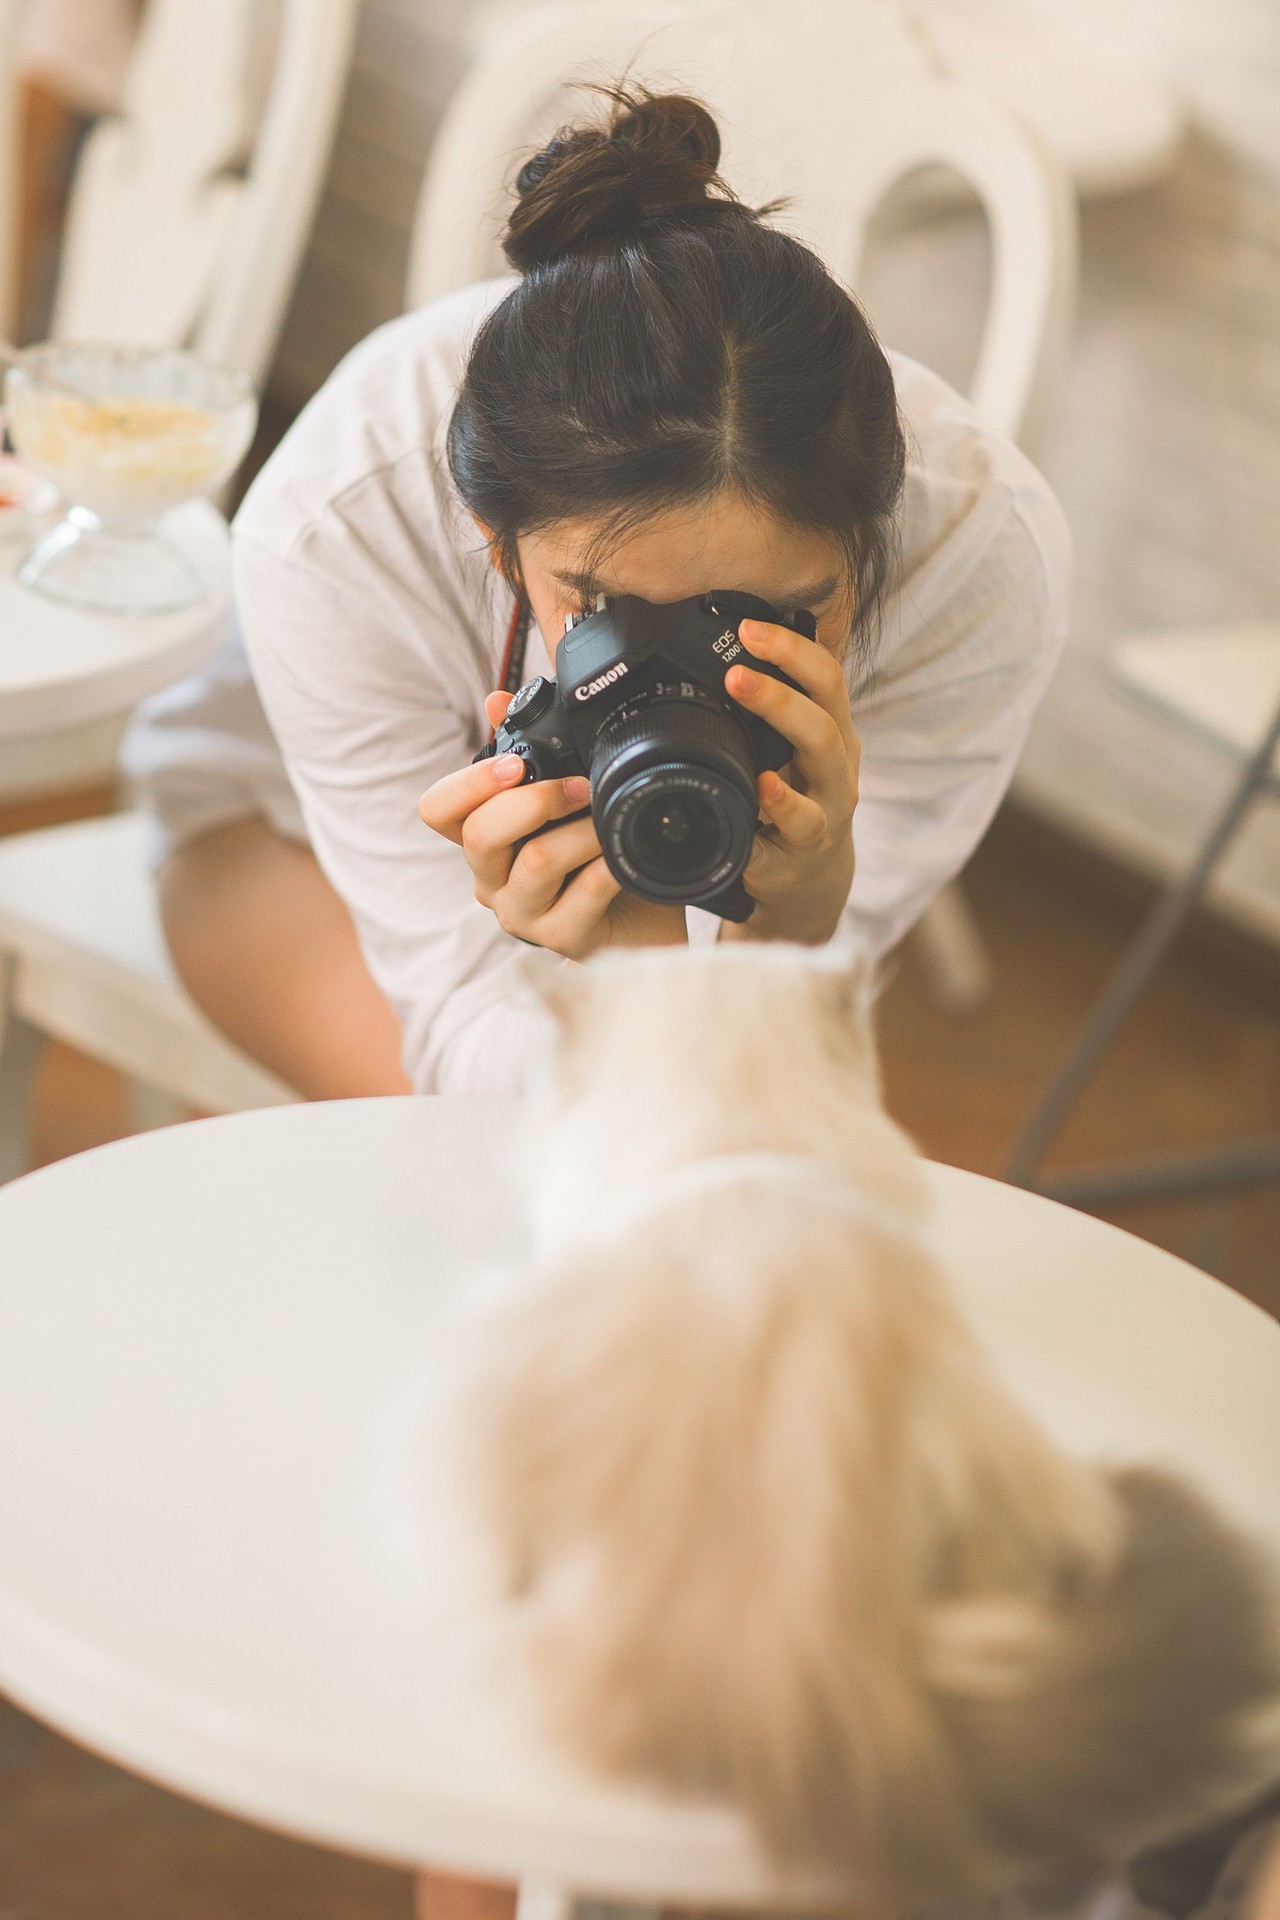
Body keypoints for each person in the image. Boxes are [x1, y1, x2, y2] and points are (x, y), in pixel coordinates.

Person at [124, 85, 1071, 1101]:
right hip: (279, 832)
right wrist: (644, 983)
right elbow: (470, 1048)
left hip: (685, 950)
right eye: (603, 605)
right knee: (487, 1172)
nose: (681, 670)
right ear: (493, 543)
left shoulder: (975, 555)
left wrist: (787, 934)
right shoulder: (341, 517)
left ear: (877, 529)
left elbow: (735, 1075)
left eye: (770, 612)